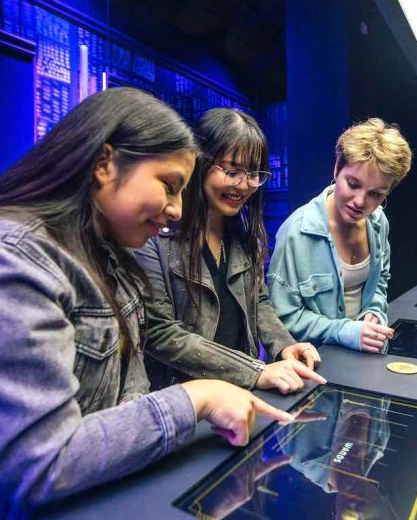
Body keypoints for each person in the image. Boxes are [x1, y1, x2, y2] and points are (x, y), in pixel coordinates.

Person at [0, 89, 291, 520]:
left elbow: (125, 394)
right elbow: (38, 462)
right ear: (104, 164)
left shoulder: (104, 257)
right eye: (168, 184)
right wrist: (197, 398)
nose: (177, 209)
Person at [134, 107, 325, 394]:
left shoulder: (244, 234)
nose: (244, 185)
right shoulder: (155, 237)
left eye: (253, 174)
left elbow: (259, 301)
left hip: (243, 392)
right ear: (200, 162)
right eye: (232, 171)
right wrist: (256, 371)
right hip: (186, 401)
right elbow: (161, 333)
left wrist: (284, 345)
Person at [268, 118, 412, 353]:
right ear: (336, 169)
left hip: (365, 358)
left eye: (375, 194)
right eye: (353, 184)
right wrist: (344, 331)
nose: (360, 202)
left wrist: (374, 313)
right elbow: (283, 318)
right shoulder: (297, 231)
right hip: (317, 366)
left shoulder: (379, 222)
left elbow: (380, 281)